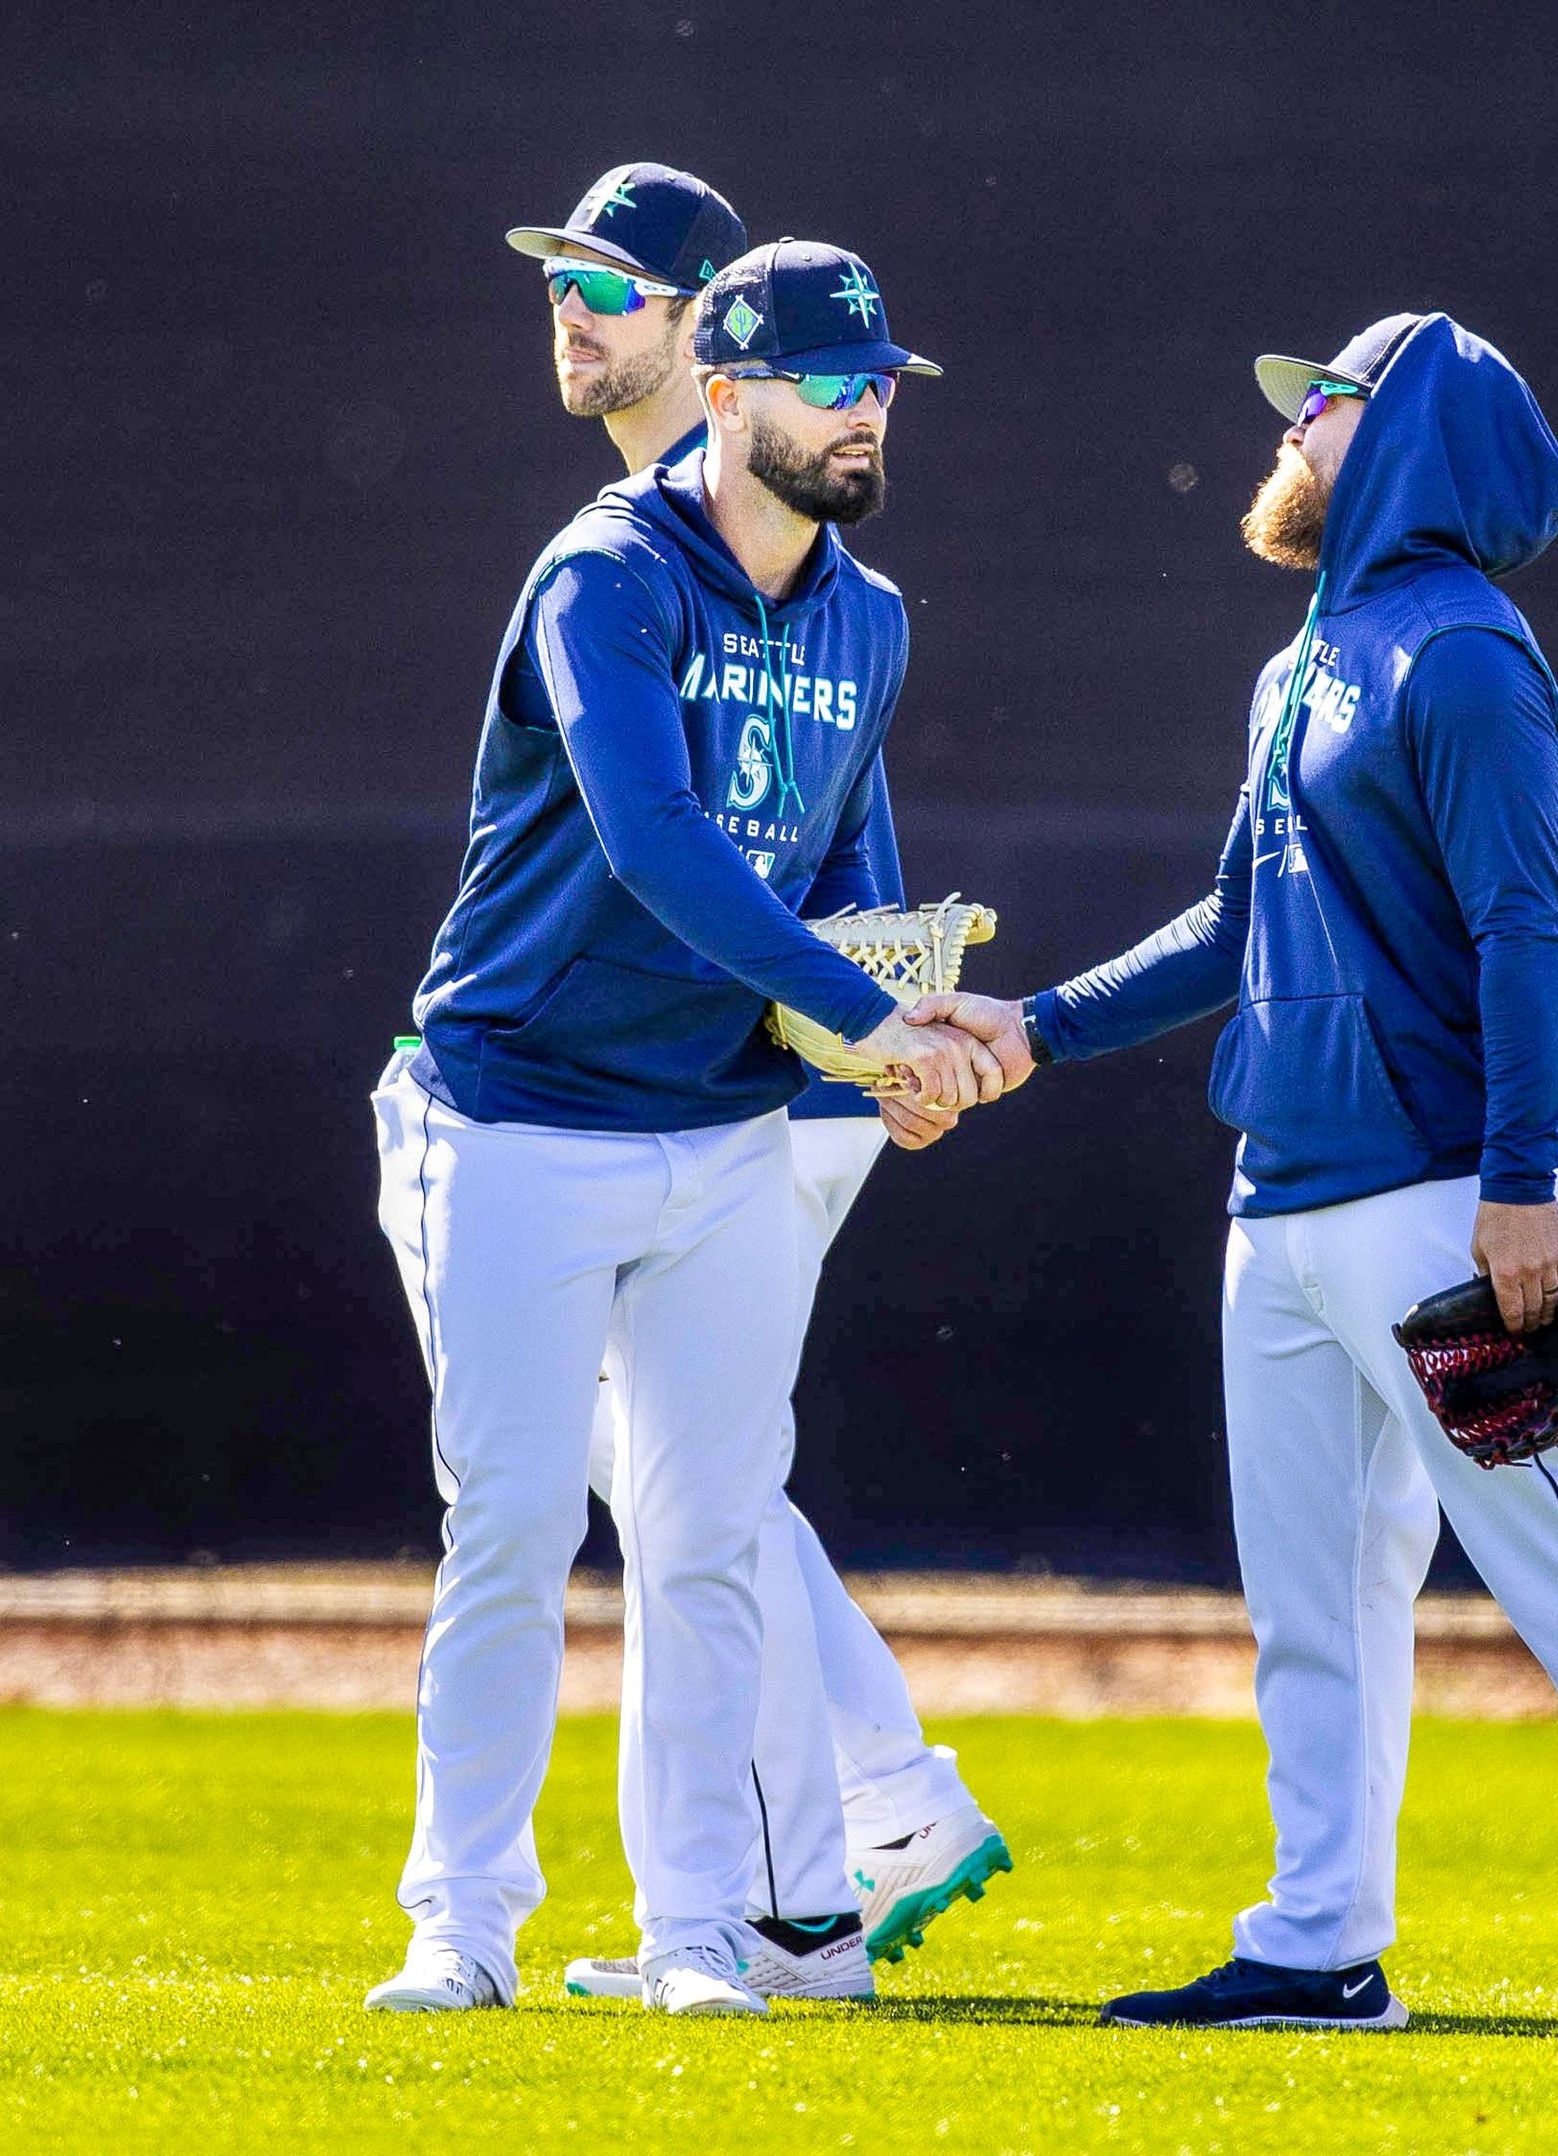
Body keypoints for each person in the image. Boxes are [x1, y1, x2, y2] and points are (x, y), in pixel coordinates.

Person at [913, 312, 1558, 2037]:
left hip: (1437, 1191)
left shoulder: (1471, 654)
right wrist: (1036, 1024)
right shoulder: (1306, 659)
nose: (1289, 431)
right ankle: (1317, 1944)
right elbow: (1237, 921)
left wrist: (1526, 1184)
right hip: (1278, 1193)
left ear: (1399, 437)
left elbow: (1531, 924)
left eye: (1321, 405)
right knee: (1314, 1605)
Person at [365, 237, 991, 2018]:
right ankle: (460, 1927)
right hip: (516, 1112)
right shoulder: (608, 574)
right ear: (724, 393)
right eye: (830, 380)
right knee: (505, 1523)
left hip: (720, 1132)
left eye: (881, 382)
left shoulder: (870, 615)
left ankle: (697, 1936)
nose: (868, 409)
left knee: (709, 1534)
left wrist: (895, 1047)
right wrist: (874, 1024)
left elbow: (847, 871)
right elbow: (655, 844)